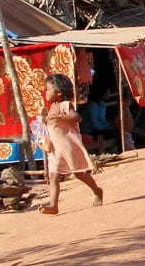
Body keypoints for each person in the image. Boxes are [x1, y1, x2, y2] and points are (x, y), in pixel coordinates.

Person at [39, 74, 104, 215]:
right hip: (55, 149)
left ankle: (97, 190)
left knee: (78, 174)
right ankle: (53, 205)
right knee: (53, 176)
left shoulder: (64, 105)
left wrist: (58, 116)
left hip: (67, 147)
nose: (46, 92)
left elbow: (76, 117)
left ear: (59, 92)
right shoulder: (51, 108)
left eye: (48, 89)